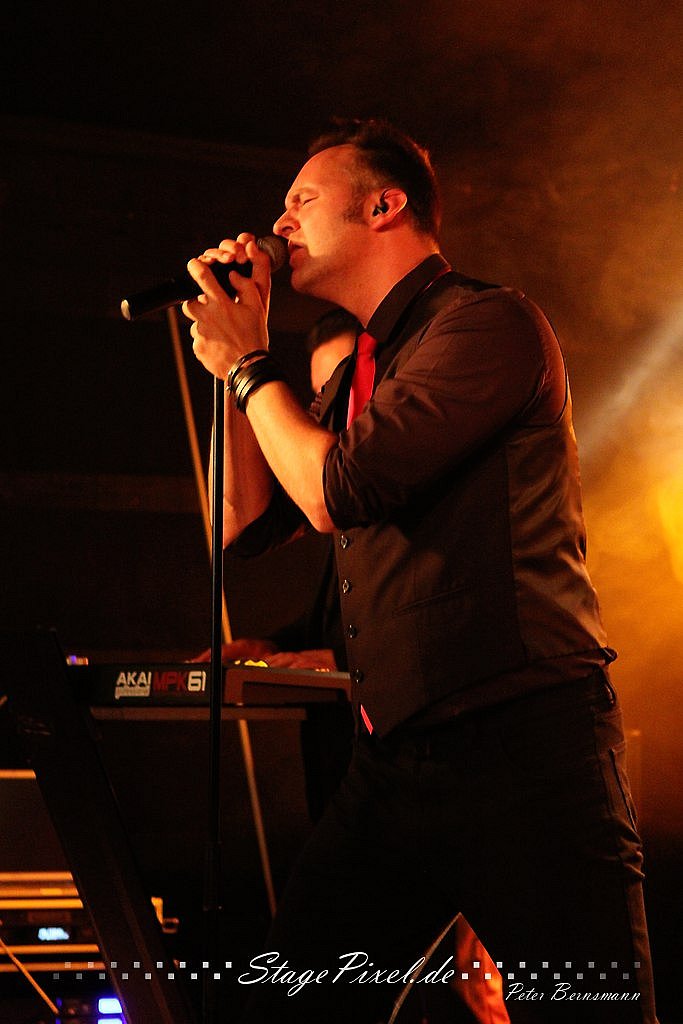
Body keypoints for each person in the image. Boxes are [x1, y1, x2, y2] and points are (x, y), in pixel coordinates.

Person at [185, 118, 657, 1023]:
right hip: (396, 757)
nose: (278, 223)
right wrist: (231, 360)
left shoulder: (486, 323)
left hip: (523, 749)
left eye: (301, 200)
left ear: (383, 205)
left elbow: (336, 490)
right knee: (296, 1002)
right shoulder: (360, 365)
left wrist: (248, 363)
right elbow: (241, 526)